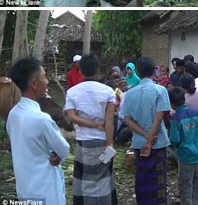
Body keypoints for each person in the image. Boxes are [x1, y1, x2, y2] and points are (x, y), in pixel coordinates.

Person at [7, 58, 71, 205]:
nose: (47, 81)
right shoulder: (42, 119)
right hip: (46, 191)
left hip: (25, 190)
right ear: (34, 84)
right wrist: (57, 154)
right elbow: (64, 149)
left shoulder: (13, 114)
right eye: (44, 76)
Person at [64, 54, 118, 205]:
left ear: (80, 70)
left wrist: (91, 125)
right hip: (102, 142)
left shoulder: (72, 92)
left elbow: (72, 117)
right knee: (102, 180)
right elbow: (109, 120)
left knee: (84, 181)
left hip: (83, 142)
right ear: (98, 70)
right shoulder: (108, 91)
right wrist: (110, 143)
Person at [121, 56, 171, 204]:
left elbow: (126, 118)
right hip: (158, 142)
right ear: (153, 70)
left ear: (137, 71)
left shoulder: (130, 93)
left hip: (139, 142)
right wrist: (151, 139)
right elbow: (159, 117)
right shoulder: (160, 90)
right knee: (159, 183)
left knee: (142, 180)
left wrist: (144, 135)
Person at [168, 86, 198, 205]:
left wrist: (175, 148)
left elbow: (175, 139)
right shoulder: (195, 112)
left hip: (185, 157)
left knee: (186, 186)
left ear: (172, 103)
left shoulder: (175, 118)